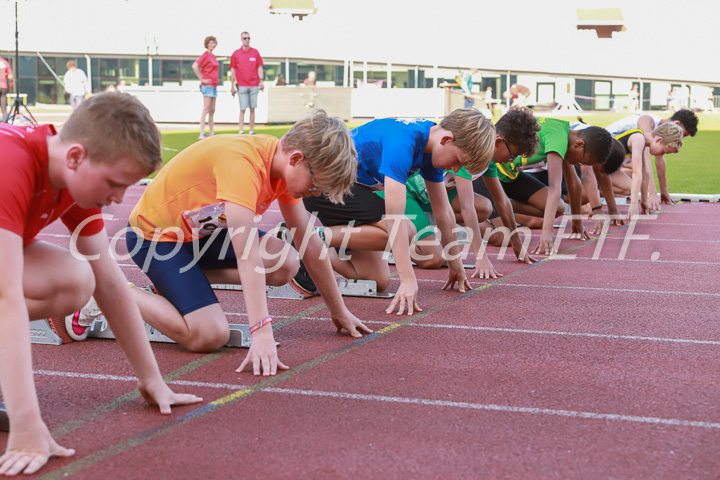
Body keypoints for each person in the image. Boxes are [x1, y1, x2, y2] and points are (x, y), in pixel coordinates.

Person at [0, 92, 201, 476]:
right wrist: (26, 427)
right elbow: (7, 296)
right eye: (114, 183)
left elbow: (109, 284)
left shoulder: (71, 176)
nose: (117, 199)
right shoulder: (10, 165)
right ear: (75, 156)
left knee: (76, 279)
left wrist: (152, 379)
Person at [103, 109, 371, 377]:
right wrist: (262, 331)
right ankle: (108, 289)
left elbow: (309, 243)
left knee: (285, 263)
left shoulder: (282, 167)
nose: (314, 194)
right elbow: (247, 255)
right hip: (155, 239)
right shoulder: (243, 164)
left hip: (200, 238)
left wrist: (339, 311)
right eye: (314, 186)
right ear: (296, 158)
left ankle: (169, 287)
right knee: (207, 336)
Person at [302, 108, 495, 315]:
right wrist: (408, 279)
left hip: (355, 190)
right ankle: (307, 238)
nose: (456, 170)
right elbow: (394, 216)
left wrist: (455, 264)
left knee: (376, 280)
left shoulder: (432, 147)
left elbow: (444, 211)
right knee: (407, 229)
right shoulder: (403, 142)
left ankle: (312, 242)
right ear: (447, 140)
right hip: (327, 186)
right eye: (458, 161)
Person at [384, 106, 542, 278]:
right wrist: (480, 257)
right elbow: (467, 207)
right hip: (409, 192)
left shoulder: (488, 161)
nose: (511, 161)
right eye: (513, 154)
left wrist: (517, 243)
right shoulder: (470, 152)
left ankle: (423, 226)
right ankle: (400, 241)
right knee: (434, 260)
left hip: (432, 196)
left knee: (484, 207)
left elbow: (501, 201)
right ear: (498, 142)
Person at [491, 118, 613, 254]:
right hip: (493, 171)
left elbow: (574, 183)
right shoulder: (558, 139)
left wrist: (577, 221)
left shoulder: (564, 133)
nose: (579, 165)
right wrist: (547, 231)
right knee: (503, 238)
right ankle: (490, 207)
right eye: (583, 161)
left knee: (559, 207)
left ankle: (499, 204)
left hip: (510, 175)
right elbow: (555, 186)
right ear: (579, 144)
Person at [604, 109, 698, 207]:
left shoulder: (661, 136)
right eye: (683, 135)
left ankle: (596, 192)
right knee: (636, 173)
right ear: (676, 124)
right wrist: (652, 194)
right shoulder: (647, 121)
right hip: (604, 152)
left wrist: (664, 192)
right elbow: (646, 158)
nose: (681, 138)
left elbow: (659, 160)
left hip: (616, 158)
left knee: (631, 185)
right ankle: (591, 191)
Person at [609, 122, 684, 220]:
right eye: (663, 151)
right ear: (658, 139)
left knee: (629, 189)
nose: (661, 155)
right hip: (596, 169)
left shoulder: (642, 142)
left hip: (608, 169)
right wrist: (634, 203)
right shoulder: (638, 139)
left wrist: (644, 201)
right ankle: (591, 195)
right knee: (587, 209)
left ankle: (596, 194)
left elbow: (645, 172)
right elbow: (637, 172)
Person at [230, 31, 264, 135]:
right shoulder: (236, 54)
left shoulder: (255, 52)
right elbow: (233, 70)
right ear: (241, 39)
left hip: (254, 85)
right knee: (242, 109)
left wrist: (261, 81)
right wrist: (232, 85)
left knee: (252, 108)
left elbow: (259, 67)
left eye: (248, 38)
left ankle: (251, 130)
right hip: (242, 85)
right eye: (245, 38)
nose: (247, 40)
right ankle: (241, 130)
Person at [192, 35, 219, 140]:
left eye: (214, 43)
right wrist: (201, 78)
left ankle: (211, 132)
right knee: (206, 109)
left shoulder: (213, 56)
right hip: (207, 86)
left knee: (212, 110)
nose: (213, 45)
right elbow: (195, 65)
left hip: (214, 85)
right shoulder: (205, 55)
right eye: (211, 43)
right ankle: (202, 133)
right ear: (207, 44)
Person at [0, 55, 13, 121]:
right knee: (3, 107)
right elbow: (10, 76)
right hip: (3, 86)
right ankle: (4, 122)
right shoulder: (5, 62)